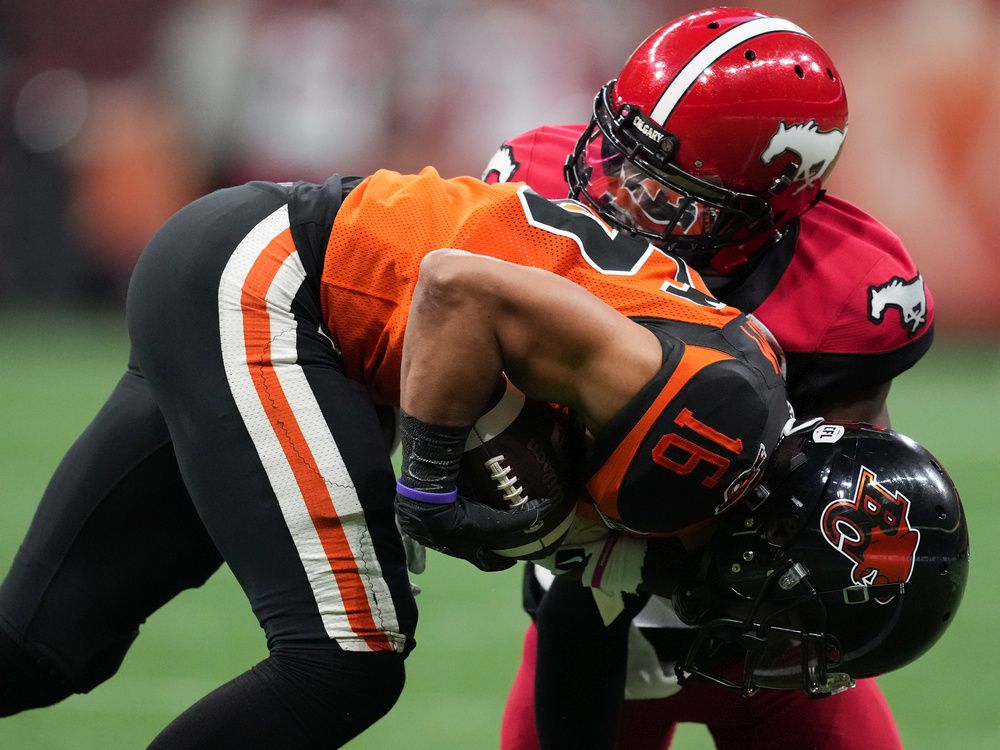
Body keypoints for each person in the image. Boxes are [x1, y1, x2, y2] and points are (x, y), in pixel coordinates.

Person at [0, 166, 788, 748]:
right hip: (279, 282)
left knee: (42, 646)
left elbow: (583, 620)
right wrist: (431, 480)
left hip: (252, 268)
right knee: (343, 662)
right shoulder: (695, 419)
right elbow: (454, 287)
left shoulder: (728, 418)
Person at [482, 7, 936, 749]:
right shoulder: (533, 190)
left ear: (766, 208)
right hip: (583, 618)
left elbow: (838, 502)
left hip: (769, 638)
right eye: (620, 154)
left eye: (664, 191)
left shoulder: (848, 293)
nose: (616, 195)